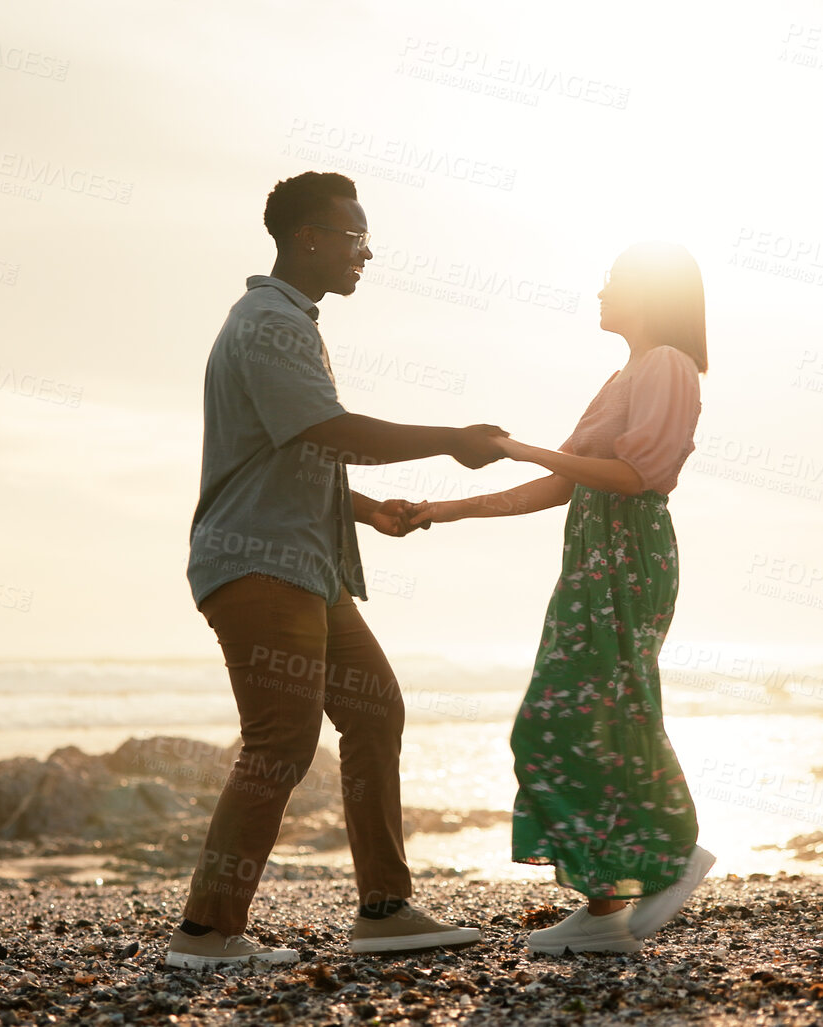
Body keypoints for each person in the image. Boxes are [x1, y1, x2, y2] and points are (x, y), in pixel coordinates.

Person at [171, 171, 504, 970]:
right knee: (280, 741)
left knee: (375, 709)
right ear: (307, 239)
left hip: (308, 567)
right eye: (354, 237)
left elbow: (291, 448)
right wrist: (450, 438)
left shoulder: (289, 322)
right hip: (258, 566)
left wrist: (362, 510)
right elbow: (329, 430)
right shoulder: (269, 322)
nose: (365, 252)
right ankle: (206, 934)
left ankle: (384, 907)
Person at [409, 242, 716, 955]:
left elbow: (635, 473)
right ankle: (607, 903)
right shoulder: (625, 374)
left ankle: (670, 858)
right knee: (585, 719)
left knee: (580, 712)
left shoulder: (667, 363)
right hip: (593, 554)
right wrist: (439, 509)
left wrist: (522, 447)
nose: (600, 290)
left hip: (628, 553)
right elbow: (558, 485)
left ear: (648, 294)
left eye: (613, 281)